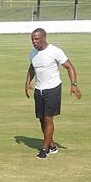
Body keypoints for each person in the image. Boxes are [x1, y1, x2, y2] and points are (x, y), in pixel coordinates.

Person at [24, 28, 81, 160]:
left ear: (44, 38)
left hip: (52, 89)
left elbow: (70, 67)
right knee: (41, 119)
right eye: (32, 39)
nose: (34, 42)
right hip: (39, 89)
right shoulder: (33, 53)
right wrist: (27, 82)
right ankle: (52, 145)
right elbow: (32, 67)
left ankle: (45, 149)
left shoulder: (55, 51)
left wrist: (74, 85)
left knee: (48, 119)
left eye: (37, 39)